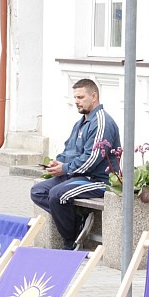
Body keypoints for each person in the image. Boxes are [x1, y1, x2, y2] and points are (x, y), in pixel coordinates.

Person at [30, 78, 122, 244]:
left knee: (57, 195)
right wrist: (57, 163)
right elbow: (69, 151)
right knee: (37, 191)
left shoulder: (102, 122)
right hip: (78, 176)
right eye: (75, 98)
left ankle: (70, 240)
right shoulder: (81, 123)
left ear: (94, 97)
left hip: (99, 180)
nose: (76, 102)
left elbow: (92, 159)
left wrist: (65, 169)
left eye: (80, 98)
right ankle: (78, 220)